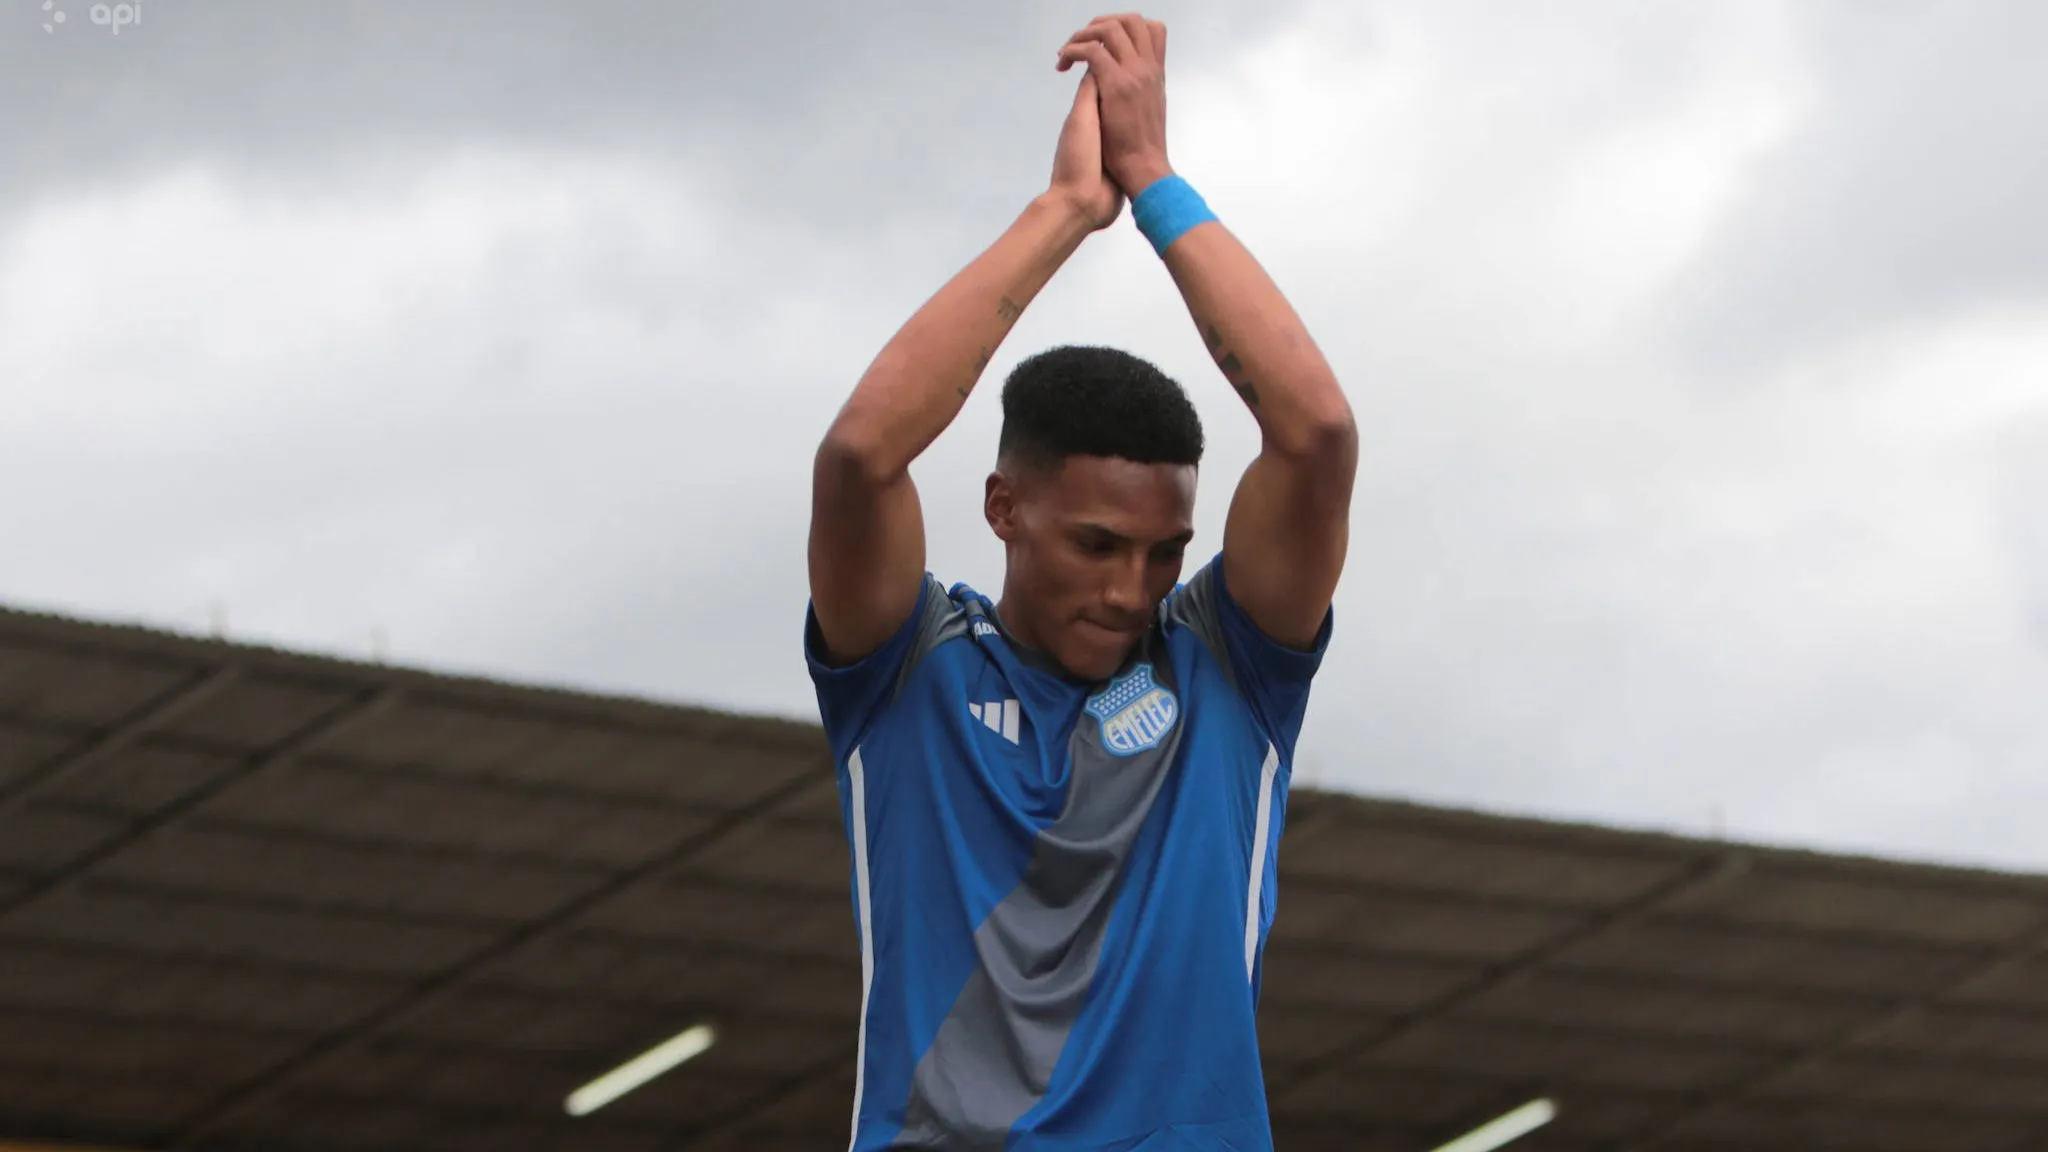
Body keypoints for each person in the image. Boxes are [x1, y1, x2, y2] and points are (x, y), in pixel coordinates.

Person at [803, 13, 1357, 1151]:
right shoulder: (907, 664)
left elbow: (1316, 433)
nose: (1131, 588)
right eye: (1096, 547)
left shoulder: (1225, 667)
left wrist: (1152, 179)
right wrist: (1062, 214)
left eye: (1163, 554)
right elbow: (861, 455)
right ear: (1004, 510)